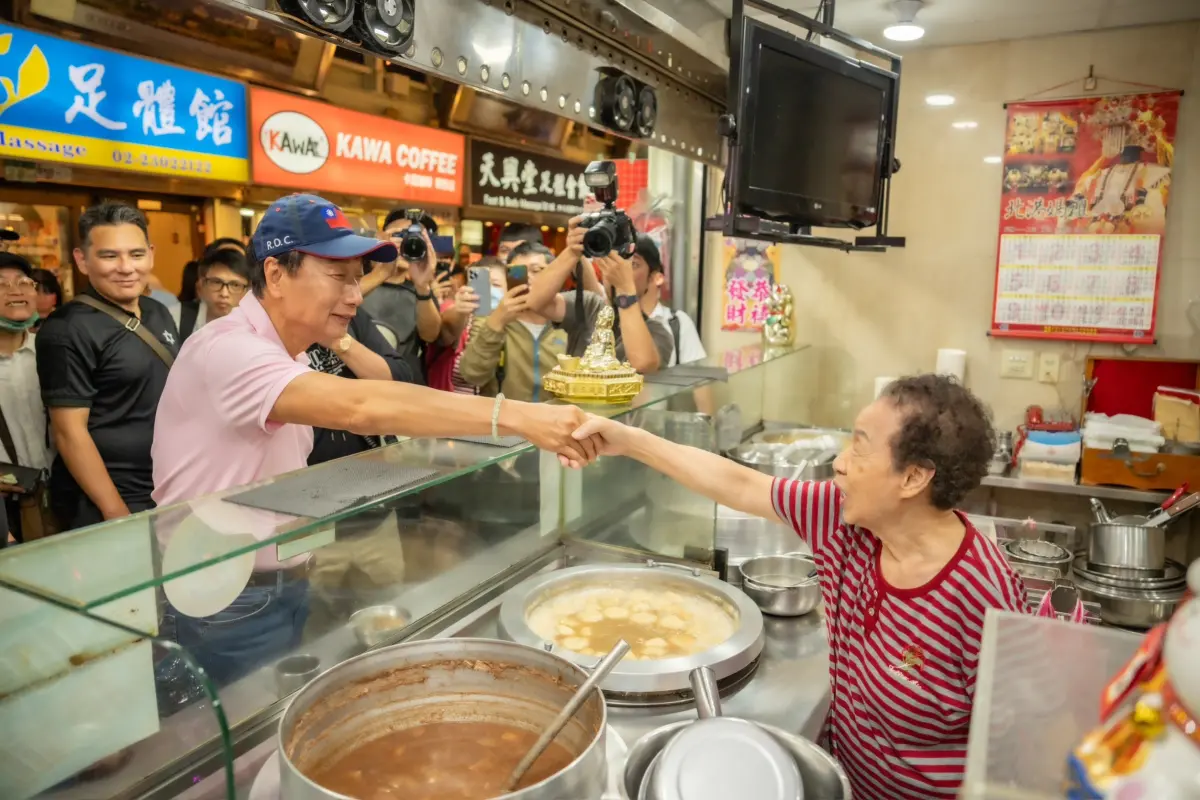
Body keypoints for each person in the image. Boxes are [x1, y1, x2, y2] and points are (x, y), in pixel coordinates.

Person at [151, 193, 597, 685]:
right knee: (239, 737)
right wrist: (516, 416)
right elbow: (360, 407)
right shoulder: (229, 351)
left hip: (280, 579)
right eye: (338, 276)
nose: (356, 294)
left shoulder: (290, 353)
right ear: (276, 274)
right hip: (228, 598)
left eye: (357, 275)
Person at [571, 374, 1027, 800]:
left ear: (913, 477)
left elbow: (1022, 756)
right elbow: (739, 484)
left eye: (860, 449)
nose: (840, 464)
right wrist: (629, 441)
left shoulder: (984, 592)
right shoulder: (843, 521)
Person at [37, 203, 178, 529]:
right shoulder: (67, 329)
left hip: (164, 486)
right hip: (109, 500)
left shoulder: (158, 312)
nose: (126, 267)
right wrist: (115, 513)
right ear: (82, 260)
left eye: (136, 254)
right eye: (110, 256)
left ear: (151, 255)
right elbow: (69, 432)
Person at [523, 217, 672, 373]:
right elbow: (536, 302)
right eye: (610, 259)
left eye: (633, 264)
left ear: (652, 278)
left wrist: (624, 288)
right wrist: (573, 251)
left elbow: (642, 364)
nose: (617, 268)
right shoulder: (591, 306)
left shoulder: (658, 331)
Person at [459, 242, 572, 401]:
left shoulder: (568, 324)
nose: (529, 278)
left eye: (537, 270)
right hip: (502, 422)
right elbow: (472, 374)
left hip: (556, 422)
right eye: (519, 272)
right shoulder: (492, 319)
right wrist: (496, 322)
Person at [0, 253, 52, 545]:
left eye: (23, 282)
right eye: (2, 284)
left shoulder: (55, 350)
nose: (16, 290)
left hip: (60, 500)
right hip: (5, 514)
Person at [359, 209, 443, 383]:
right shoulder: (356, 279)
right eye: (400, 235)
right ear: (382, 236)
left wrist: (422, 286)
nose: (408, 242)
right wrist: (382, 268)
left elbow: (430, 335)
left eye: (417, 237)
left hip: (405, 390)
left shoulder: (421, 291)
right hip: (358, 387)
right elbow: (335, 302)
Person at [636, 235, 706, 367]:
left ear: (657, 277)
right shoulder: (608, 320)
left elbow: (698, 382)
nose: (625, 273)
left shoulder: (678, 322)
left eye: (634, 264)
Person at [170, 248, 251, 344]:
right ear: (200, 287)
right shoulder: (176, 317)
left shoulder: (256, 327)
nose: (224, 294)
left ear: (247, 291)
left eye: (235, 285)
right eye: (216, 282)